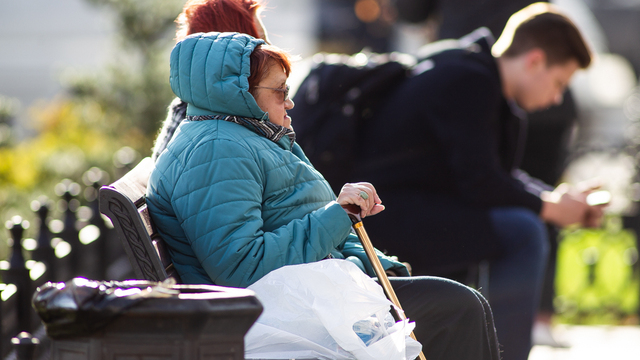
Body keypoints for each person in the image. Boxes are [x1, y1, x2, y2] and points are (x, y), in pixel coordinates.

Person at [146, 31, 501, 360]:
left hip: (304, 302)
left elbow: (296, 223)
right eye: (280, 91)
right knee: (459, 308)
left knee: (466, 305)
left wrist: (372, 262)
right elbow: (243, 269)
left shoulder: (245, 137)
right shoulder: (217, 150)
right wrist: (340, 213)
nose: (291, 102)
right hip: (272, 319)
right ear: (239, 92)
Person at [342, 3, 605, 360]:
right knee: (522, 231)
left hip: (399, 208)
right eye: (559, 83)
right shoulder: (472, 82)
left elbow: (489, 175)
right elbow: (480, 184)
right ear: (535, 61)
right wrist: (549, 207)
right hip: (384, 215)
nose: (557, 98)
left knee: (514, 224)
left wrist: (553, 198)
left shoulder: (468, 65)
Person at [151, 0, 269, 162]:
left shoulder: (204, 108)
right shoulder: (212, 124)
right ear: (232, 49)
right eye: (261, 43)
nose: (270, 51)